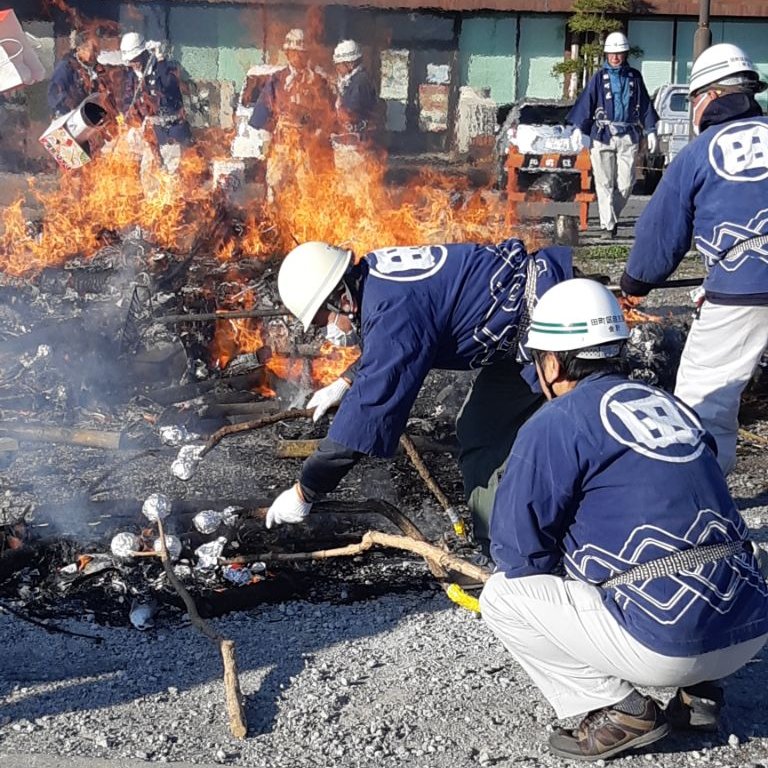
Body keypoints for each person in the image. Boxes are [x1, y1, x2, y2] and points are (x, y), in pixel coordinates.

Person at [480, 278, 768, 762]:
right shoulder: (673, 407)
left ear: (551, 363)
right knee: (700, 549)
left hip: (669, 644)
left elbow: (517, 552)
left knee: (504, 596)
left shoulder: (554, 422)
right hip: (750, 624)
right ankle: (700, 693)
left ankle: (620, 710)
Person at [264, 238, 573, 554]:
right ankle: (496, 546)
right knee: (478, 428)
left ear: (341, 298)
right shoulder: (375, 277)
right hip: (525, 325)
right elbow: (395, 339)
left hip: (558, 327)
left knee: (568, 441)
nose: (327, 333)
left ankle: (550, 546)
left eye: (323, 322)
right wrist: (345, 381)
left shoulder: (391, 309)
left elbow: (367, 414)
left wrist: (305, 490)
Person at [620, 42, 768, 476]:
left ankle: (703, 494)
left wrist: (634, 284)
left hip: (742, 290)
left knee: (704, 399)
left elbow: (660, 233)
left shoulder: (699, 153)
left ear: (709, 96)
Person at [568, 32, 658, 238]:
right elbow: (586, 103)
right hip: (602, 134)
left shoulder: (635, 77)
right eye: (611, 54)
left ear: (625, 54)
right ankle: (608, 225)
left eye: (619, 53)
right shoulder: (598, 78)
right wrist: (579, 129)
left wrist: (651, 130)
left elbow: (645, 105)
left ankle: (612, 217)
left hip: (628, 135)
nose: (615, 57)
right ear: (606, 55)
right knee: (603, 182)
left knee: (627, 183)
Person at [248, 28, 334, 200]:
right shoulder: (277, 80)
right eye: (294, 52)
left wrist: (317, 136)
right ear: (287, 53)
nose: (298, 57)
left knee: (308, 191)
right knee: (276, 184)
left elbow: (329, 114)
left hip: (307, 148)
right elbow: (263, 111)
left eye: (302, 53)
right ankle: (276, 223)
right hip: (282, 146)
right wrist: (266, 141)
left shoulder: (318, 81)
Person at [119, 31, 192, 172]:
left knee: (173, 178)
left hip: (173, 131)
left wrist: (161, 60)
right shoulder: (133, 76)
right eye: (130, 61)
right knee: (150, 176)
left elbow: (167, 85)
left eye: (135, 59)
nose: (133, 63)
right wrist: (130, 120)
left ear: (144, 53)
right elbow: (129, 100)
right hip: (152, 133)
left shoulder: (166, 67)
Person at [330, 39, 379, 173]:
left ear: (349, 63)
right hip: (353, 147)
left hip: (356, 151)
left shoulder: (360, 82)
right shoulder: (356, 81)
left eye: (339, 65)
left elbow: (350, 114)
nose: (337, 69)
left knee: (352, 189)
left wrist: (337, 102)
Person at [47, 30, 102, 118]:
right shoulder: (65, 68)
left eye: (98, 49)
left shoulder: (98, 69)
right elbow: (54, 98)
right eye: (94, 49)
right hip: (71, 120)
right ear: (80, 49)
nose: (97, 53)